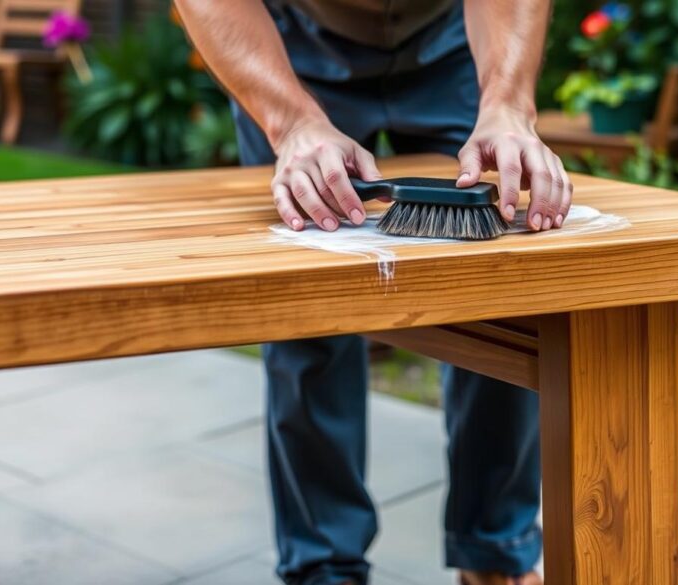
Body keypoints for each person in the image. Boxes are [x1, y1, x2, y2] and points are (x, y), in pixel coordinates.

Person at [174, 1, 572, 584]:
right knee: (307, 309)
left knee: (499, 286)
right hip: (292, 47)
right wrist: (291, 122)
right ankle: (324, 568)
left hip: (454, 42)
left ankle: (496, 552)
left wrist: (509, 102)